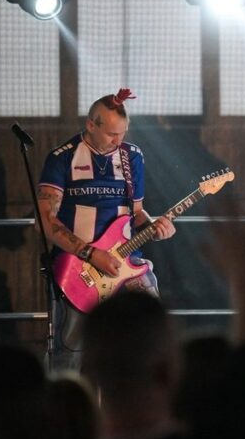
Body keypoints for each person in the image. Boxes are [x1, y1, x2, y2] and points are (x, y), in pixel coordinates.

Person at [37, 88, 176, 371]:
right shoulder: (62, 158)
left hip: (127, 262)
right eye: (112, 133)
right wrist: (90, 254)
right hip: (77, 268)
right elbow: (46, 222)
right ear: (90, 125)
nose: (118, 140)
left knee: (152, 332)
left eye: (123, 133)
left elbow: (136, 213)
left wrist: (155, 226)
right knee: (70, 350)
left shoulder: (132, 157)